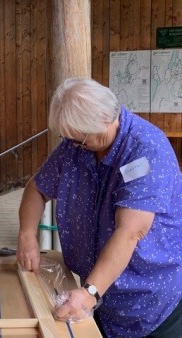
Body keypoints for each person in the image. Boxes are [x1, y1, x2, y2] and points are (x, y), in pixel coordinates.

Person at [16, 77, 182, 337]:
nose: (74, 146)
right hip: (103, 299)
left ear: (107, 119)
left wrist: (89, 293)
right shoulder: (77, 144)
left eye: (80, 139)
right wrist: (27, 235)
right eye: (67, 138)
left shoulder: (147, 149)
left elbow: (130, 231)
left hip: (152, 301)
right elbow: (37, 188)